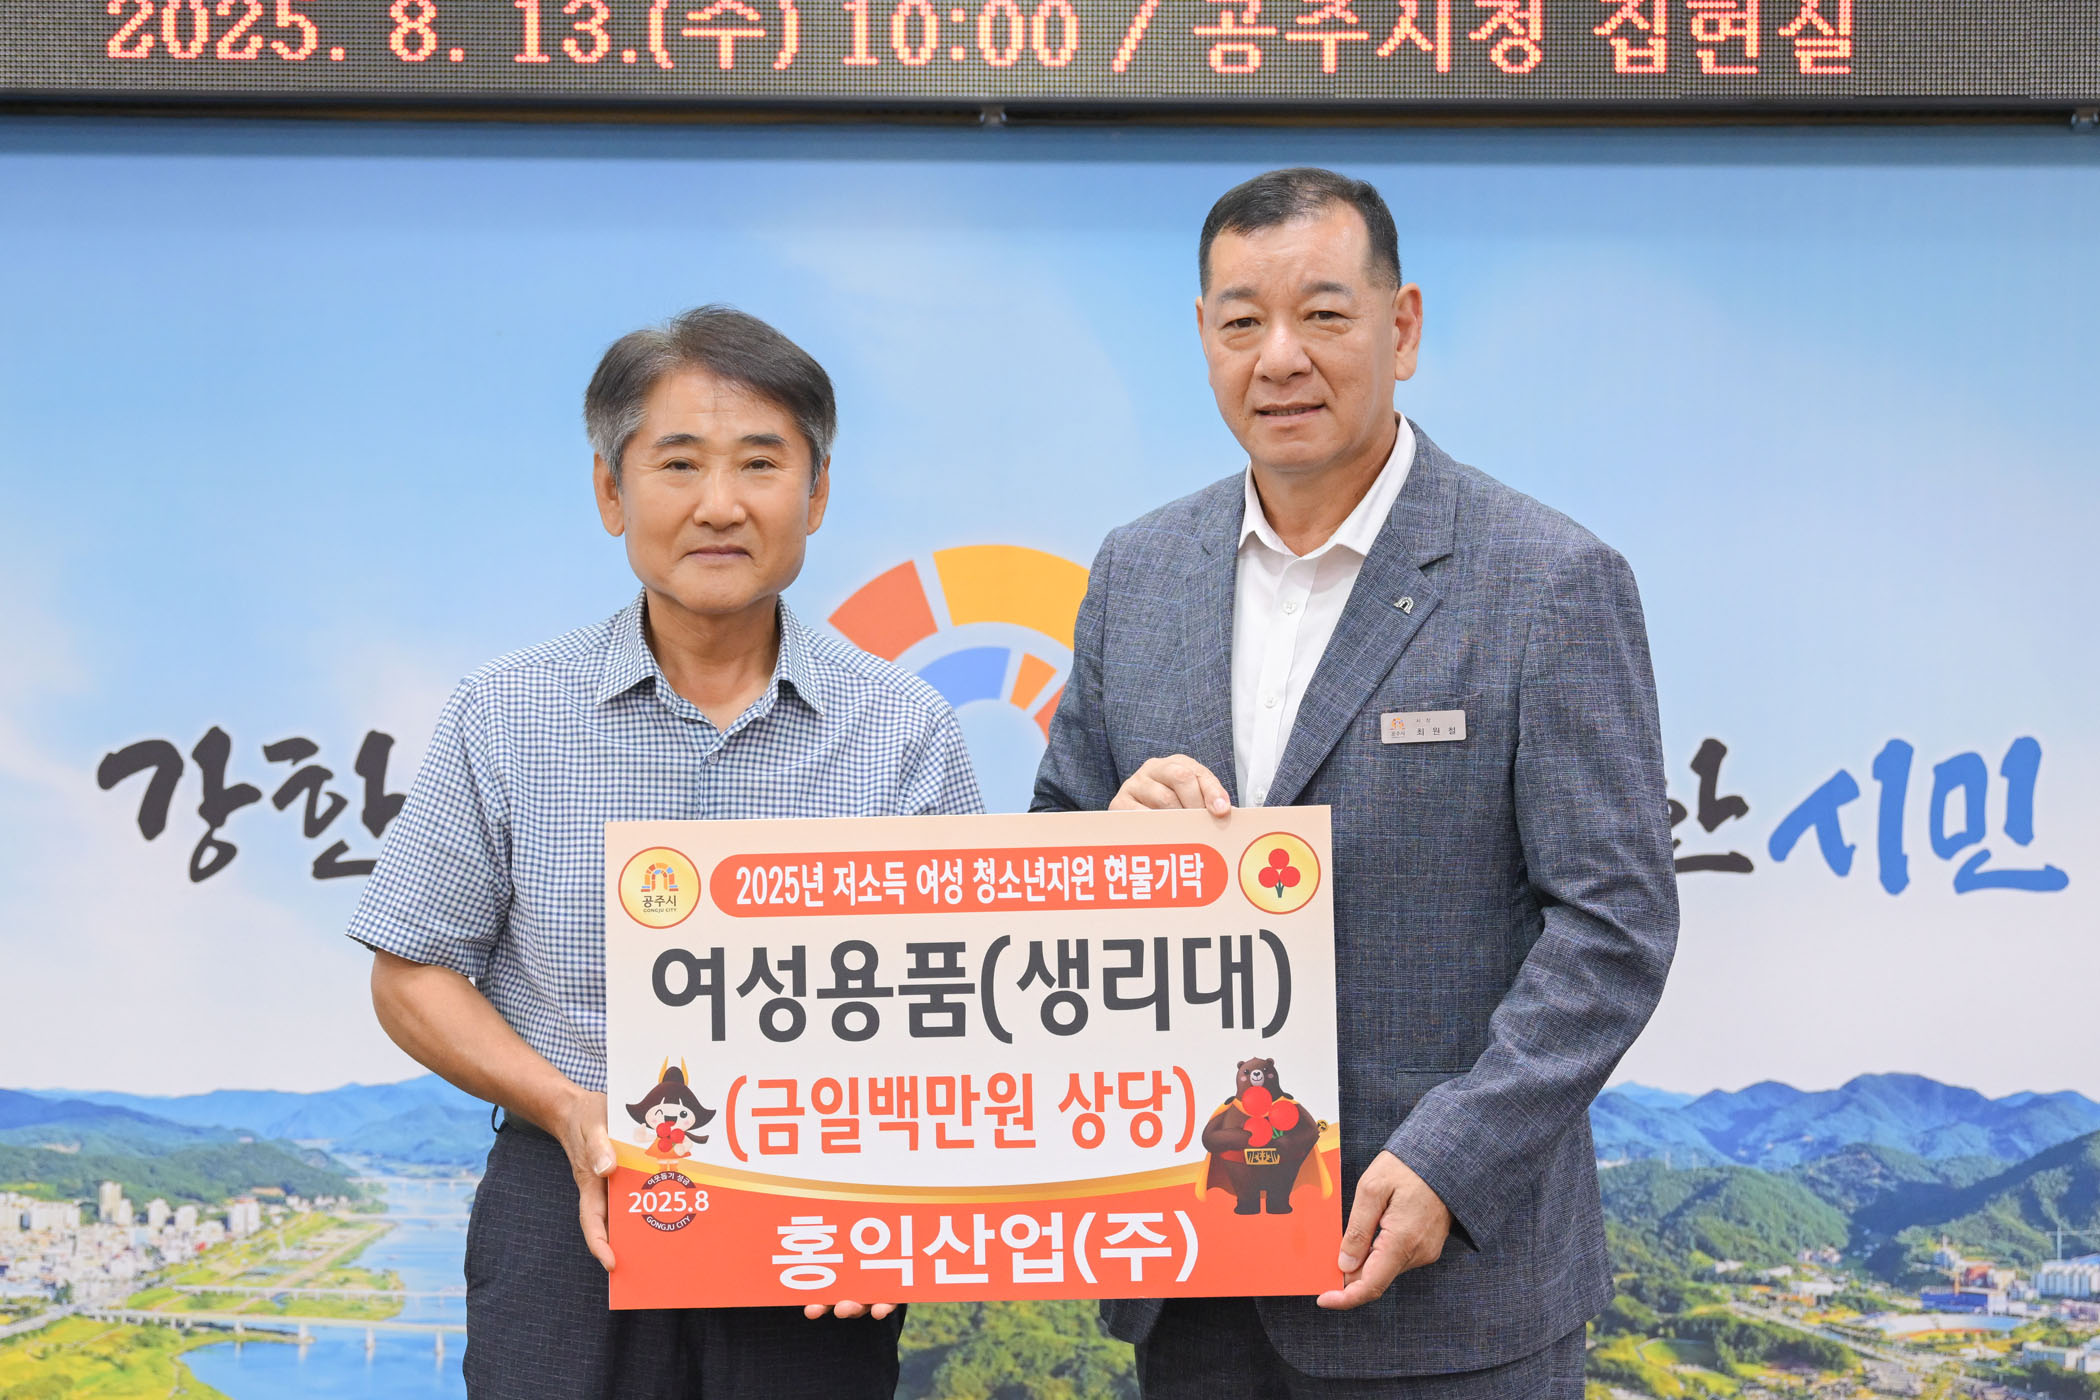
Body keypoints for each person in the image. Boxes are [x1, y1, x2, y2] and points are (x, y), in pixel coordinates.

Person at [1033, 168, 1679, 1398]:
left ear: (1404, 327)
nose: (1280, 356)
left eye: (1323, 314)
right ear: (1205, 337)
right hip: (1194, 1274)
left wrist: (1454, 1158)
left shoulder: (1546, 580)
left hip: (1446, 1289)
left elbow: (1615, 924)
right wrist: (1112, 838)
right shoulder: (1137, 571)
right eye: (1243, 321)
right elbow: (1054, 841)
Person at [349, 305, 983, 1399]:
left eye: (761, 463)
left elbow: (970, 996)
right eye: (679, 462)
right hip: (566, 1200)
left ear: (817, 494)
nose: (720, 504)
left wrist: (898, 1192)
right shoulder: (507, 712)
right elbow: (410, 974)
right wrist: (567, 1106)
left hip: (820, 1212)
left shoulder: (905, 729)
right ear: (611, 491)